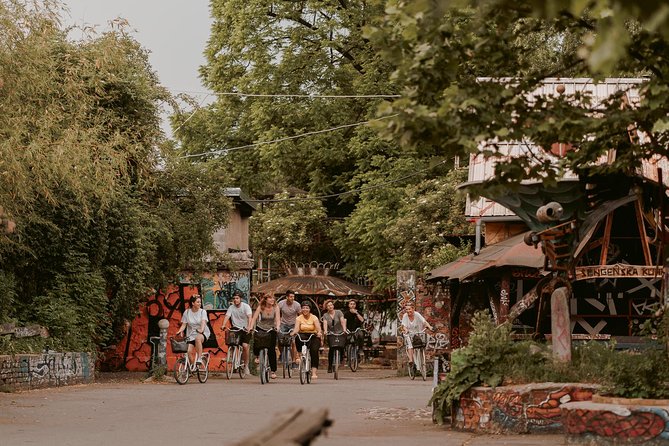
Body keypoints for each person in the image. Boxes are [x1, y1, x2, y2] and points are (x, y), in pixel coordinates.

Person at [248, 293, 280, 379]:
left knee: (271, 349)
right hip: (261, 327)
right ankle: (257, 355)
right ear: (266, 300)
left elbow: (277, 319)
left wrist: (277, 327)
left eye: (273, 299)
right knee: (256, 339)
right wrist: (251, 327)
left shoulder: (276, 307)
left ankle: (273, 371)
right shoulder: (261, 307)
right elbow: (254, 318)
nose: (272, 300)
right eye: (270, 299)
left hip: (271, 328)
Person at [222, 290, 253, 375]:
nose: (235, 300)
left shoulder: (246, 307)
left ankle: (246, 365)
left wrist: (249, 327)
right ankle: (231, 357)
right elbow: (227, 316)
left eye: (237, 298)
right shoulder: (231, 307)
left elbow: (250, 317)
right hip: (235, 328)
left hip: (245, 329)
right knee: (231, 342)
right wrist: (223, 325)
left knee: (245, 346)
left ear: (241, 299)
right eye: (234, 298)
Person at [290, 301, 322, 380]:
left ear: (310, 309)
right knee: (297, 338)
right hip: (302, 334)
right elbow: (297, 328)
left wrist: (319, 332)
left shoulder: (314, 317)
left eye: (307, 308)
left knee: (314, 351)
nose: (305, 309)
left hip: (313, 335)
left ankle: (314, 372)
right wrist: (293, 332)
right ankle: (300, 355)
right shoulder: (299, 318)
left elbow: (318, 328)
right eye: (303, 308)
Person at [175, 294, 210, 366]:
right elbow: (184, 324)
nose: (199, 304)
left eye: (200, 302)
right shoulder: (187, 312)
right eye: (198, 302)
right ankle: (193, 366)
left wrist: (201, 329)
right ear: (193, 303)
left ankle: (199, 358)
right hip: (191, 335)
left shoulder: (202, 312)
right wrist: (179, 331)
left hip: (202, 333)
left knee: (198, 338)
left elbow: (203, 322)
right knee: (188, 351)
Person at [400, 302, 433, 369]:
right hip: (409, 333)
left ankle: (422, 359)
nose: (408, 311)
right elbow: (403, 326)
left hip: (418, 333)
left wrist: (429, 327)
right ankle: (411, 360)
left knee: (423, 343)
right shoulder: (405, 316)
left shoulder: (417, 314)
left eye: (409, 309)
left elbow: (424, 322)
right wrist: (406, 330)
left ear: (413, 309)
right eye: (407, 309)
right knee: (410, 344)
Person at [322, 299, 346, 373]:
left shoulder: (339, 312)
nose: (330, 307)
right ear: (326, 307)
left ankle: (342, 357)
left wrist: (344, 329)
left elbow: (342, 321)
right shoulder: (325, 315)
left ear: (333, 306)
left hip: (340, 332)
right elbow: (325, 324)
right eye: (328, 306)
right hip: (331, 333)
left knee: (342, 345)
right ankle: (330, 366)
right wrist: (325, 331)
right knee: (331, 349)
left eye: (331, 305)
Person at [278, 290, 302, 368]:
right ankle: (281, 354)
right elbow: (277, 314)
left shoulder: (297, 305)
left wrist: (299, 326)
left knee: (293, 342)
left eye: (293, 297)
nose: (292, 298)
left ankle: (294, 361)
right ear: (287, 297)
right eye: (291, 297)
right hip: (283, 323)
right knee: (280, 340)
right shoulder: (281, 303)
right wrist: (277, 324)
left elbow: (300, 315)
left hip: (293, 324)